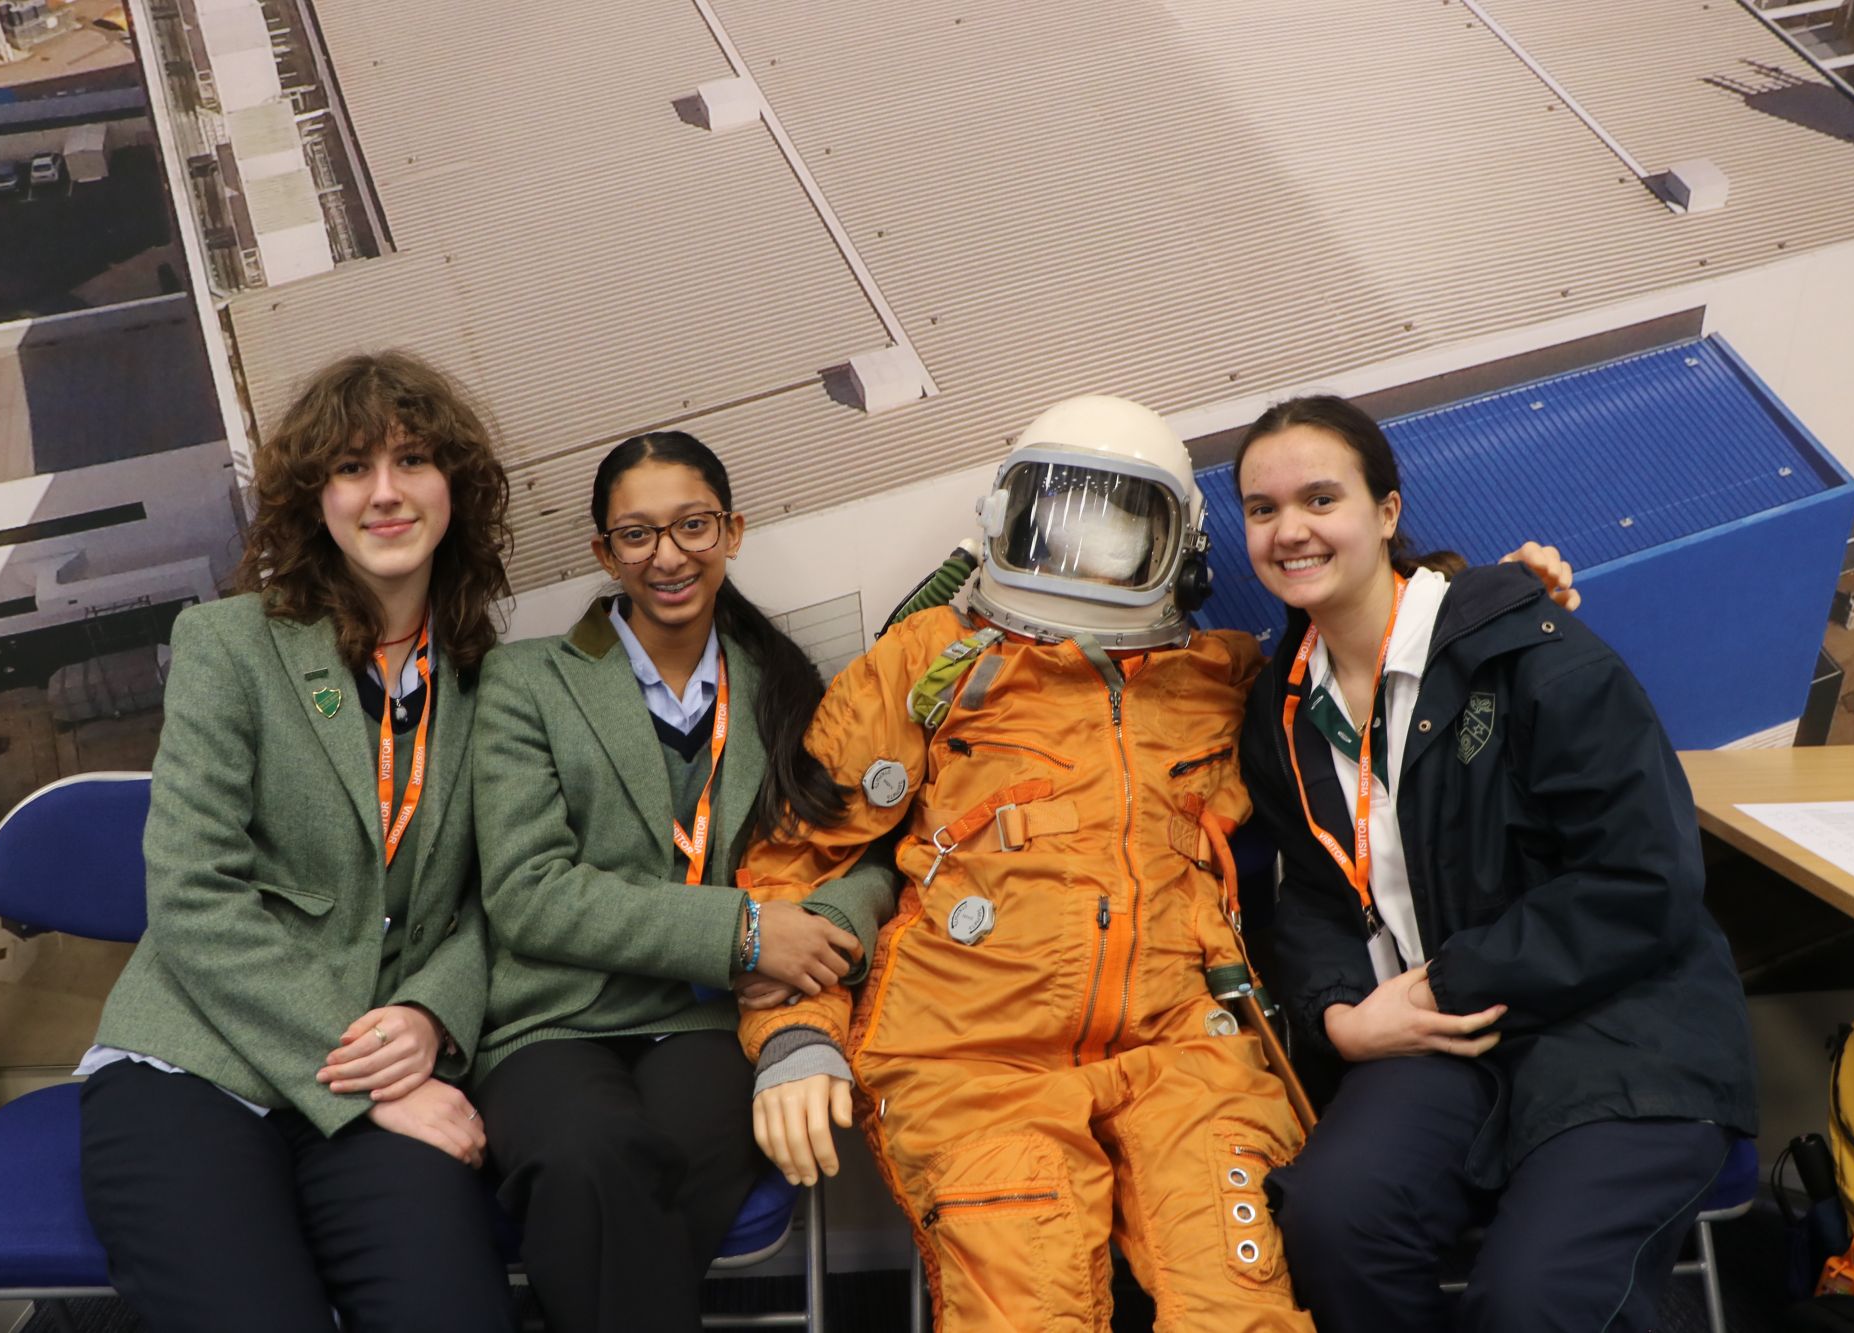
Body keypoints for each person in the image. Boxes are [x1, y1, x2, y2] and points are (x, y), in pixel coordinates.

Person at [734, 395, 1319, 1333]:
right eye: (1056, 517)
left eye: (1115, 525)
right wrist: (796, 1036)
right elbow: (792, 865)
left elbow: (1378, 676)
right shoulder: (930, 666)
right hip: (972, 1055)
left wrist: (1465, 600)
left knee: (1238, 1315)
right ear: (1006, 518)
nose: (1079, 550)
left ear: (1175, 548)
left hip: (1182, 1047)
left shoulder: (1224, 675)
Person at [1232, 395, 1759, 1333]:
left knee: (1531, 1300)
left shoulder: (1529, 650)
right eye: (1262, 509)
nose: (1290, 530)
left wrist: (1446, 980)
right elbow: (1314, 898)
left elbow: (1644, 880)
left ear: (1387, 512)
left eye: (1320, 497)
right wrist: (1341, 1019)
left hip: (1619, 1027)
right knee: (1332, 1221)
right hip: (1442, 1041)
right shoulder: (1280, 709)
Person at [77, 352, 517, 1332]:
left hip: (394, 1056)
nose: (386, 492)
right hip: (199, 1063)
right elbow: (194, 898)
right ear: (313, 500)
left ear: (458, 489)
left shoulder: (503, 688)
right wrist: (364, 1081)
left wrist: (433, 1020)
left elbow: (512, 900)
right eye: (352, 468)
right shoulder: (229, 645)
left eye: (413, 460)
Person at [469, 430, 896, 1331]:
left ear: (732, 532)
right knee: (589, 1159)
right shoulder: (525, 683)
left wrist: (824, 929)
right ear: (604, 552)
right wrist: (745, 931)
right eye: (637, 535)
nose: (669, 556)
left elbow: (866, 854)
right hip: (557, 1014)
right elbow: (529, 891)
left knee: (652, 1168)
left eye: (693, 524)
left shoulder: (786, 684)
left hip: (708, 1021)